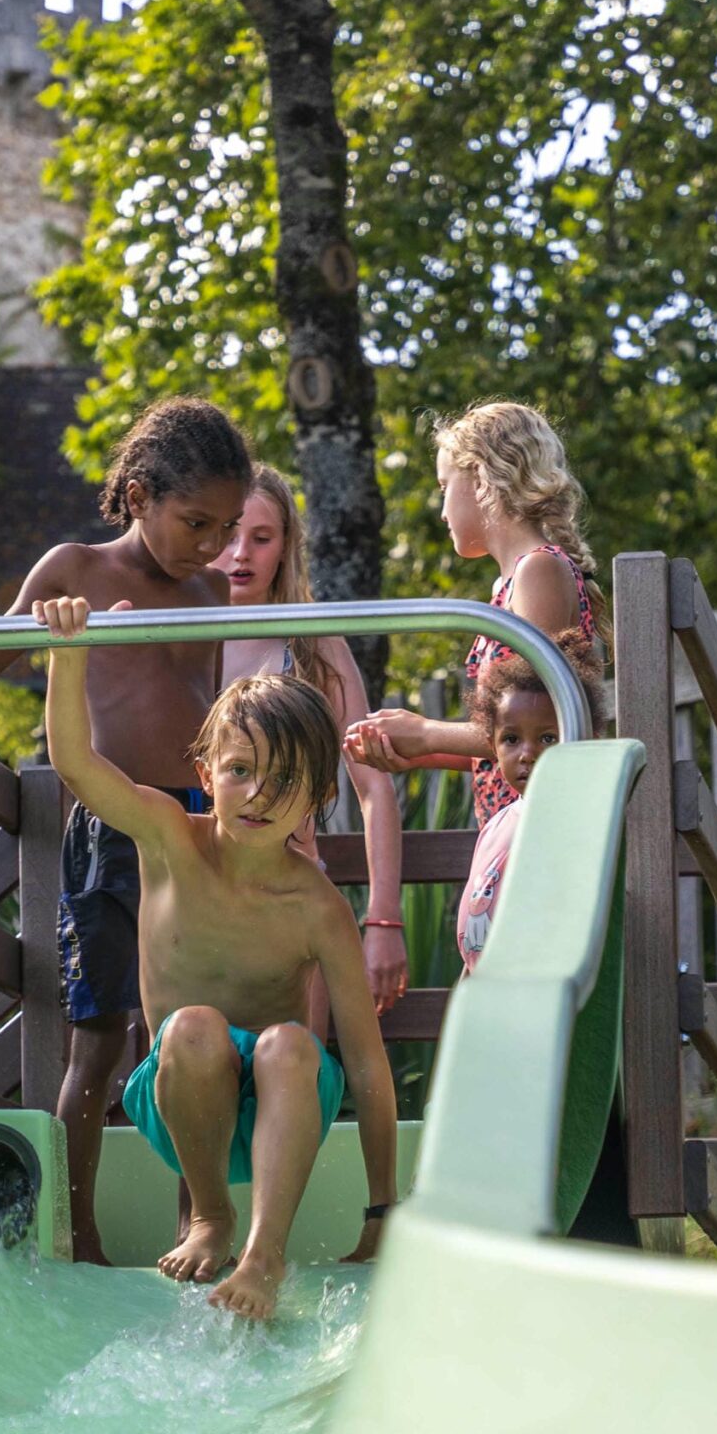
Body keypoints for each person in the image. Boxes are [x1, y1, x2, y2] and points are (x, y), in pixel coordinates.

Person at [0, 397, 252, 1264]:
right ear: (137, 495)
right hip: (108, 825)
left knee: (190, 1033)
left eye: (225, 527)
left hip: (194, 830)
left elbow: (215, 716)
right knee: (97, 1038)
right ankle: (76, 1235)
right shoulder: (76, 568)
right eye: (196, 523)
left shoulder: (213, 593)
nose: (213, 546)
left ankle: (196, 1227)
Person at [35, 591, 399, 1323]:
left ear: (319, 799)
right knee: (196, 1028)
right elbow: (75, 764)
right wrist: (68, 654)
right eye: (240, 770)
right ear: (205, 774)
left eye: (286, 781)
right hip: (179, 1101)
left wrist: (381, 1208)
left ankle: (265, 1253)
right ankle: (210, 1215)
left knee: (293, 1043)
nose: (259, 794)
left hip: (281, 1107)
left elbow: (362, 1063)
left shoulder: (316, 906)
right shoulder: (169, 840)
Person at [344, 401, 604, 826]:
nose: (443, 509)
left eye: (445, 486)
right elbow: (507, 745)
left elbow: (542, 727)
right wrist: (419, 752)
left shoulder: (539, 569)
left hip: (541, 822)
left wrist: (426, 731)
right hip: (508, 822)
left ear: (482, 476)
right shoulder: (508, 585)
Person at [217, 465, 409, 1017]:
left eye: (260, 538)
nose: (240, 555)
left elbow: (373, 789)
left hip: (294, 895)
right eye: (229, 535)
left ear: (286, 546)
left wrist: (384, 920)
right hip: (194, 893)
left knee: (297, 1072)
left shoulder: (313, 639)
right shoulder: (168, 636)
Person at [456, 636, 608, 970]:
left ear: (587, 740)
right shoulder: (499, 823)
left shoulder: (577, 823)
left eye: (548, 739)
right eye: (511, 739)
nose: (527, 754)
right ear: (491, 744)